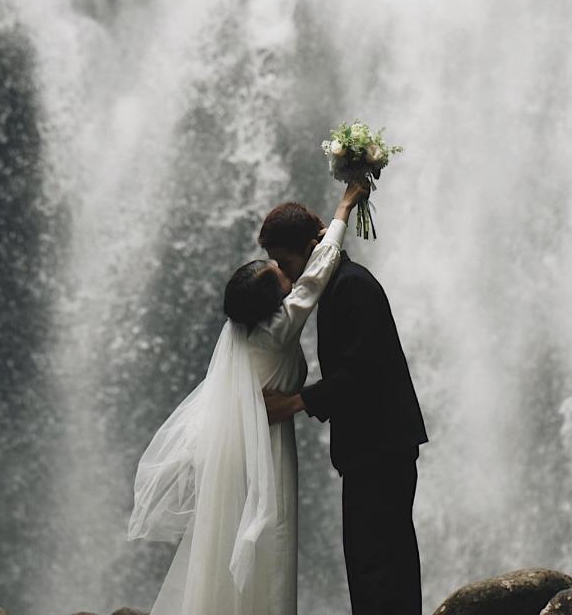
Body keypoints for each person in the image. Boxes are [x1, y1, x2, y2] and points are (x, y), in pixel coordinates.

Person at [127, 179, 369, 615]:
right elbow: (317, 273)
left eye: (280, 262)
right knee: (269, 541)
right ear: (274, 302)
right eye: (280, 272)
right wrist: (344, 206)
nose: (288, 272)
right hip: (264, 449)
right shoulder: (276, 331)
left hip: (240, 446)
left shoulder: (243, 333)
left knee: (233, 543)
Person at [262, 196, 428, 615]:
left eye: (284, 261)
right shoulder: (339, 285)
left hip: (382, 447)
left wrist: (295, 402)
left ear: (308, 250)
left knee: (381, 561)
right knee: (373, 559)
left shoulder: (351, 285)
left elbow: (362, 371)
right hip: (373, 448)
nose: (283, 273)